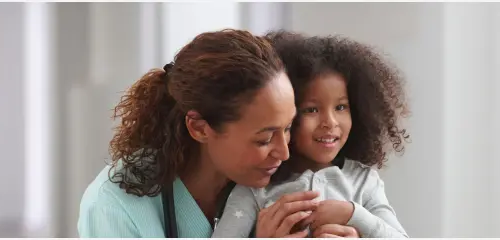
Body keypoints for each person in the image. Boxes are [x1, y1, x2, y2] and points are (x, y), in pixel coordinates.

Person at [77, 29, 330, 238]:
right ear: (199, 128)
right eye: (263, 139)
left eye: (287, 128)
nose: (284, 152)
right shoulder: (115, 207)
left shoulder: (284, 181)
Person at [211, 30, 411, 238]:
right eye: (312, 110)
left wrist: (353, 214)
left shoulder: (363, 181)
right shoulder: (255, 187)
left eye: (341, 107)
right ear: (285, 115)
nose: (330, 122)